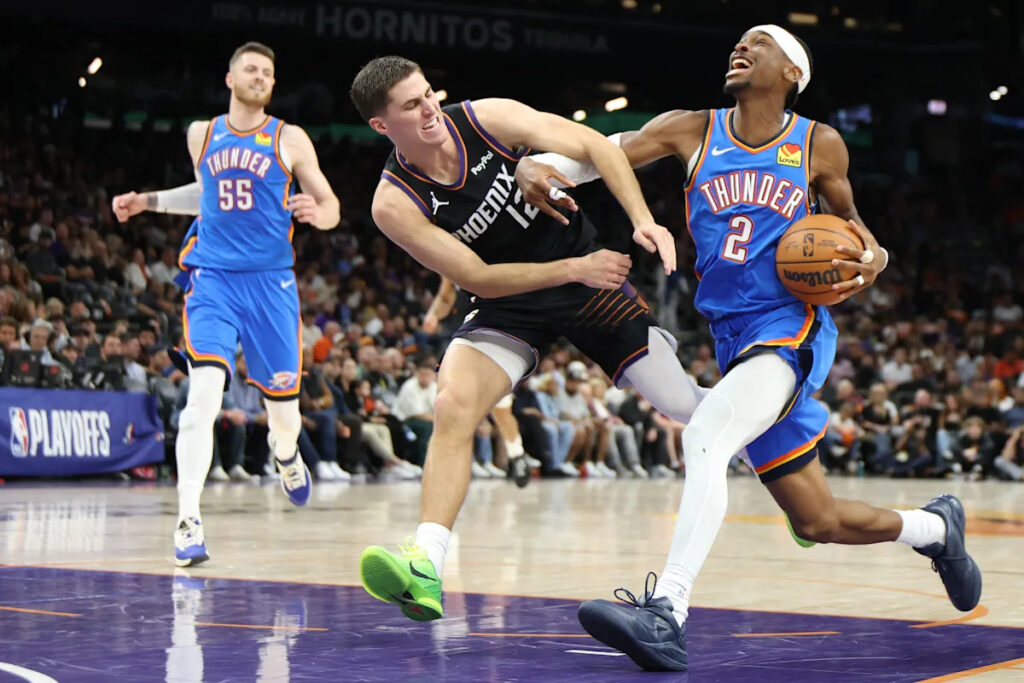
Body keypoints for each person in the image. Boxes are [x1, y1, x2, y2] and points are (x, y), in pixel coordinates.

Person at [517, 24, 981, 672]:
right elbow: (606, 152)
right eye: (739, 42)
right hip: (734, 338)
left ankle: (667, 610)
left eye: (759, 43)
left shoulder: (818, 143)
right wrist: (543, 165)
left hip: (790, 325)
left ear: (792, 71)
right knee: (816, 519)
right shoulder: (692, 129)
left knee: (706, 433)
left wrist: (873, 257)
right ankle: (935, 528)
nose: (741, 48)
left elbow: (854, 226)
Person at [349, 55, 714, 623]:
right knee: (453, 404)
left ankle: (783, 461)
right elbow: (477, 277)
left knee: (680, 403)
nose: (429, 110)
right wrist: (574, 270)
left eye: (429, 95)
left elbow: (593, 145)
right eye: (411, 106)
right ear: (381, 124)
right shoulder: (393, 202)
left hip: (586, 276)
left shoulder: (485, 117)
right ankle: (426, 563)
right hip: (513, 296)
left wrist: (642, 219)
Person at [111, 41, 340, 567]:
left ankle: (286, 454)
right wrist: (148, 201)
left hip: (270, 285)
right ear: (230, 79)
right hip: (212, 280)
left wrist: (319, 214)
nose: (260, 77)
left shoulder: (289, 138)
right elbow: (207, 195)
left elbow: (331, 204)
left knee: (285, 417)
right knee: (202, 398)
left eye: (268, 72)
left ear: (272, 85)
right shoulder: (202, 133)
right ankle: (188, 519)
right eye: (251, 69)